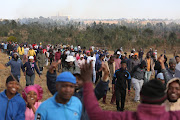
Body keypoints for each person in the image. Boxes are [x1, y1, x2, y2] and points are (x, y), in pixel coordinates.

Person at [81, 62, 180, 120]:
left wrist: (87, 82)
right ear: (164, 98)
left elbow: (95, 114)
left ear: (141, 96)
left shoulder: (128, 117)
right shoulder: (173, 116)